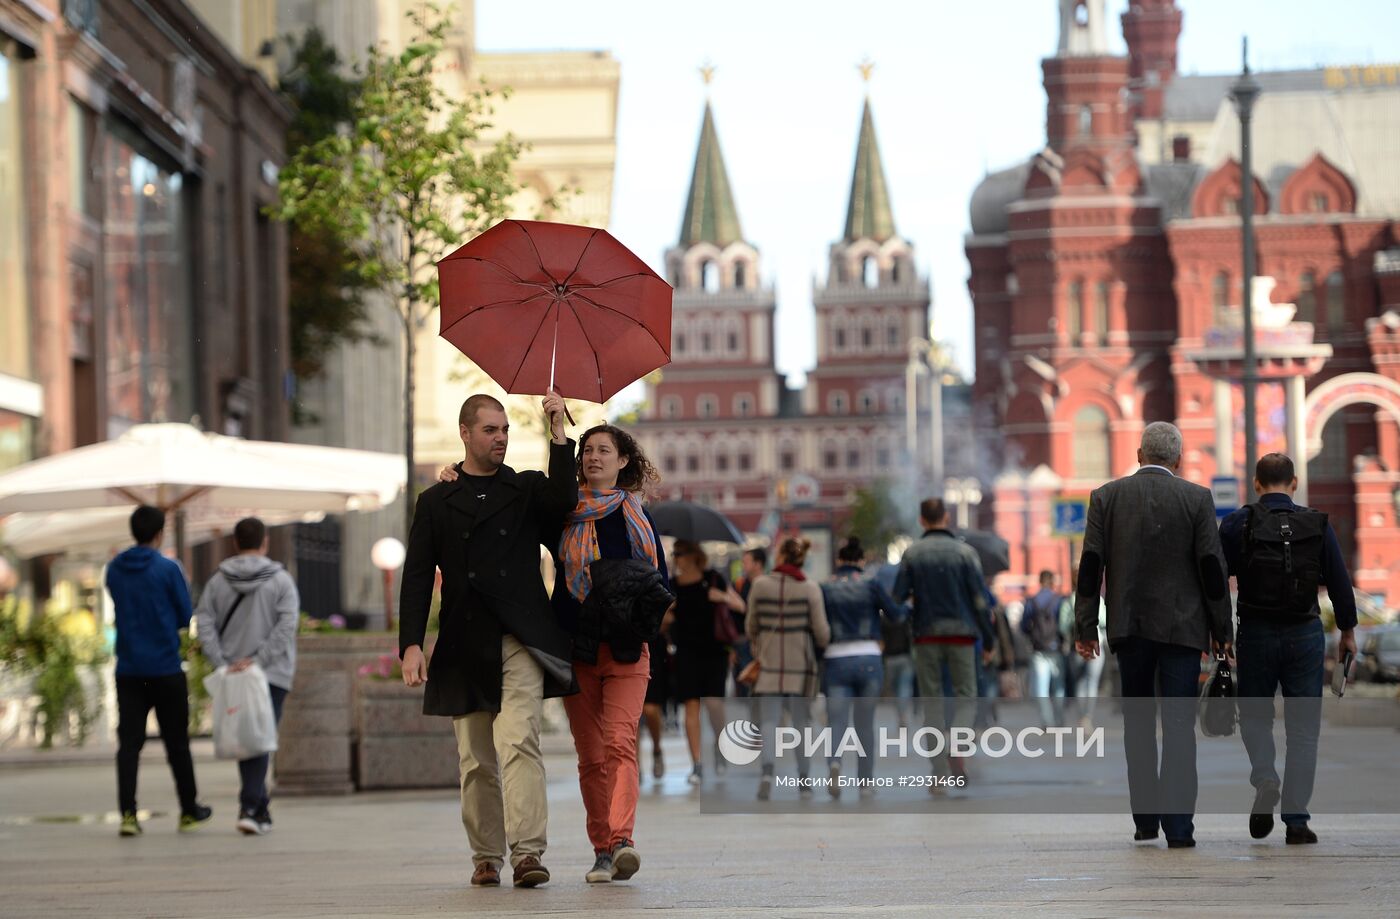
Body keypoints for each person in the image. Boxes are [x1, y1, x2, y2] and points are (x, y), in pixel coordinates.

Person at [399, 391, 577, 889]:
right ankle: (485, 854)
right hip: (463, 638)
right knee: (476, 757)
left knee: (518, 739)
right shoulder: (436, 500)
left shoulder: (523, 490)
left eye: (504, 430)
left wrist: (558, 430)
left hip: (520, 634)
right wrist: (411, 643)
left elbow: (564, 502)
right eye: (490, 430)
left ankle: (526, 853)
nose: (500, 438)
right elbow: (416, 575)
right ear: (465, 433)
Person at [1074, 421, 1232, 849]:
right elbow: (1212, 570)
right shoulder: (1196, 498)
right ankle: (1179, 829)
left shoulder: (1106, 497)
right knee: (1179, 727)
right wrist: (1223, 631)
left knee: (1138, 725)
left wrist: (1086, 626)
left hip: (1130, 629)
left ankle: (1145, 821)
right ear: (1177, 460)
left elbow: (1091, 565)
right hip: (1183, 630)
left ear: (1140, 455)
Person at [546, 424, 670, 883]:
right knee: (590, 756)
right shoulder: (561, 513)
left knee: (619, 742)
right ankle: (601, 848)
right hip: (576, 647)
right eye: (587, 451)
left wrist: (631, 612)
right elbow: (512, 509)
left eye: (604, 450)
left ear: (623, 461)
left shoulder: (635, 516)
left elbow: (662, 587)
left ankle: (622, 841)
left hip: (625, 650)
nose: (593, 457)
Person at [1219, 452, 1357, 844]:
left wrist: (1219, 634)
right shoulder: (1316, 522)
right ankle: (1296, 821)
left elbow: (1213, 579)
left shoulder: (1237, 523)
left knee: (1255, 717)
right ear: (1294, 483)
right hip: (1305, 634)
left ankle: (1265, 776)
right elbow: (1340, 581)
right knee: (1303, 730)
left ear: (1256, 484)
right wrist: (1347, 631)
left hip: (1256, 633)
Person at [104, 505, 212, 836]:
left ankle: (128, 815)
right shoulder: (168, 569)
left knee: (129, 744)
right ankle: (188, 810)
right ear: (159, 533)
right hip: (165, 667)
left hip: (129, 669)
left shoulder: (114, 569)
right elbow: (183, 615)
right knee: (177, 742)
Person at [194, 517, 300, 835]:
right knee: (259, 737)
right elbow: (286, 625)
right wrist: (258, 659)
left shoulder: (217, 581)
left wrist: (223, 660)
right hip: (273, 672)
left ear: (235, 543)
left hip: (234, 672)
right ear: (264, 542)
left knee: (249, 737)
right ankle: (251, 807)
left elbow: (204, 620)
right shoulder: (280, 580)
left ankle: (258, 808)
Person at [893, 498, 995, 786]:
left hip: (925, 635)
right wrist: (988, 639)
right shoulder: (966, 553)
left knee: (932, 702)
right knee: (967, 696)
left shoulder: (912, 554)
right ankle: (957, 740)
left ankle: (938, 774)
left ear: (922, 520)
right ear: (947, 518)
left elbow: (898, 597)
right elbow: (979, 600)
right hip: (962, 634)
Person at [819, 537, 906, 798]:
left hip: (835, 659)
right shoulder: (872, 584)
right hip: (868, 657)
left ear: (839, 561)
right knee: (865, 724)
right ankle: (865, 781)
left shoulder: (825, 587)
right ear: (861, 561)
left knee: (836, 721)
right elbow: (896, 615)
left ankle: (835, 763)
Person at [747, 536, 829, 801]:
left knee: (769, 723)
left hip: (769, 667)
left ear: (780, 556)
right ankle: (804, 781)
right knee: (801, 725)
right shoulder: (811, 589)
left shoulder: (760, 586)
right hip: (801, 668)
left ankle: (767, 774)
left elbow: (750, 627)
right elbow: (823, 634)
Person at [665, 540, 743, 785]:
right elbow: (662, 622)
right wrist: (668, 609)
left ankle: (720, 747)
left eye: (679, 553)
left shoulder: (714, 578)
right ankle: (697, 763)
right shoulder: (672, 586)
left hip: (714, 652)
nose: (675, 557)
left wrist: (721, 597)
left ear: (692, 555)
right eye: (674, 553)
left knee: (714, 705)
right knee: (690, 707)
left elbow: (741, 606)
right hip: (686, 652)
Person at [1062, 565, 1107, 729]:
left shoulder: (1070, 600)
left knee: (1080, 682)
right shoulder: (1098, 599)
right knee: (1092, 682)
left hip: (1077, 645)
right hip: (1096, 645)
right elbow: (1104, 621)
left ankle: (1081, 716)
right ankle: (1088, 715)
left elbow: (1062, 624)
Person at [1022, 570, 1066, 727]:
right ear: (1053, 581)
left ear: (1040, 581)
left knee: (1041, 688)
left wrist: (1033, 635)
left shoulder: (1032, 601)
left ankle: (1047, 720)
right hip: (1056, 647)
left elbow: (1024, 625)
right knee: (1058, 686)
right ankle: (1059, 718)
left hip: (1038, 649)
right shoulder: (1059, 600)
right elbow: (1064, 623)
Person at [730, 547, 767, 698]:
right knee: (745, 689)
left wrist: (743, 607)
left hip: (763, 643)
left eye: (746, 562)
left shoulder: (768, 586)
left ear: (758, 564)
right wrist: (731, 648)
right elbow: (730, 619)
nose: (743, 566)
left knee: (763, 689)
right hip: (742, 643)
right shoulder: (738, 585)